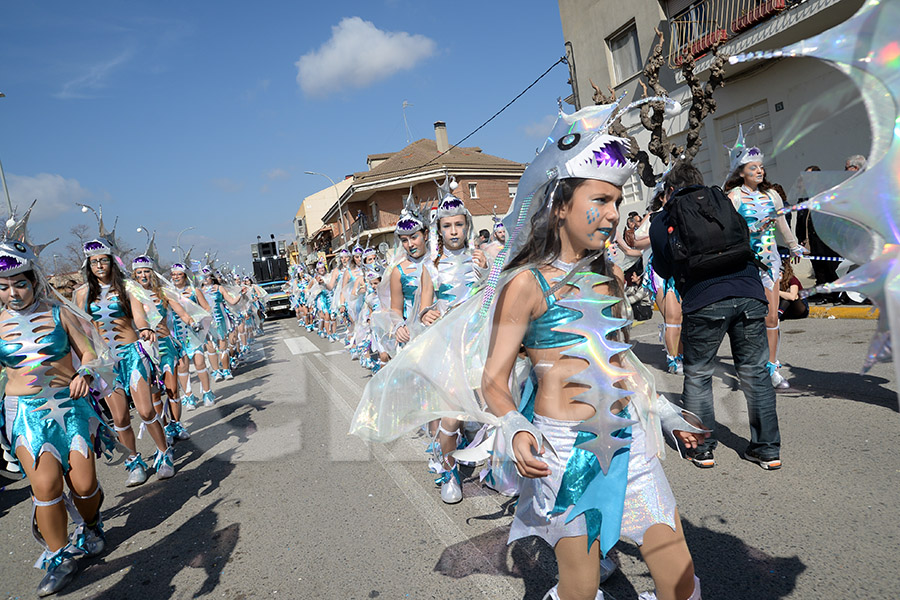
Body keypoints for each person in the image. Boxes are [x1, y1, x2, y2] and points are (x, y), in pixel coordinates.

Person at [353, 100, 707, 600]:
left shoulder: (606, 276)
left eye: (617, 201)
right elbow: (494, 381)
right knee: (580, 589)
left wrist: (666, 412)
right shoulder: (525, 283)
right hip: (563, 455)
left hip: (632, 448)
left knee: (680, 581)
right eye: (601, 200)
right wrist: (515, 428)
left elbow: (620, 362)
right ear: (561, 204)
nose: (613, 214)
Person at [0, 226, 117, 596]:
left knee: (83, 486)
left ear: (34, 281)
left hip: (71, 408)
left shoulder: (59, 312)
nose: (12, 293)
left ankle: (92, 523)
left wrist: (84, 371)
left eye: (19, 283)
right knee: (46, 486)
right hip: (25, 414)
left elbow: (92, 352)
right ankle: (59, 556)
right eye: (2, 286)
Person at [652, 159, 782, 471]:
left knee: (698, 376)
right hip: (749, 292)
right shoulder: (723, 201)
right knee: (755, 373)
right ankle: (767, 450)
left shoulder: (664, 216)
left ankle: (703, 449)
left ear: (669, 190)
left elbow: (663, 266)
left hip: (704, 298)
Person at [75, 236, 174, 485]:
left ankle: (164, 452)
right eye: (94, 262)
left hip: (132, 354)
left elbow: (140, 316)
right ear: (89, 265)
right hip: (105, 363)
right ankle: (134, 462)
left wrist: (144, 330)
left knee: (146, 410)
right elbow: (82, 329)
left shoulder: (128, 288)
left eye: (103, 261)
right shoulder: (82, 293)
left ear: (111, 262)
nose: (99, 266)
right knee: (119, 418)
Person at [418, 176, 488, 504]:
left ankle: (503, 470)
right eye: (447, 226)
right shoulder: (430, 268)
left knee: (492, 408)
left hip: (480, 345)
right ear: (439, 231)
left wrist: (489, 275)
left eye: (459, 224)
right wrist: (427, 315)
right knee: (451, 415)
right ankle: (449, 473)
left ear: (467, 227)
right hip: (448, 348)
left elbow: (498, 298)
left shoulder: (482, 259)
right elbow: (422, 309)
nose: (454, 231)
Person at [724, 129, 805, 389]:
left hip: (769, 263)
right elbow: (728, 231)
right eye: (753, 167)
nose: (759, 171)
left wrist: (794, 247)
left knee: (772, 317)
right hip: (744, 265)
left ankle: (772, 367)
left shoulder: (772, 196)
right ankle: (749, 364)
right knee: (748, 318)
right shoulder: (734, 197)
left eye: (761, 167)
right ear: (740, 173)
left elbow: (782, 222)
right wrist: (750, 230)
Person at [169, 262, 216, 409]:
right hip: (177, 334)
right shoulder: (168, 293)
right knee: (182, 367)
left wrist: (199, 319)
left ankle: (207, 392)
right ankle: (189, 396)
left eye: (179, 274)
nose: (176, 277)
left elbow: (207, 307)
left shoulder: (195, 291)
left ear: (185, 276)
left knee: (200, 362)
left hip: (194, 333)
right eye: (174, 274)